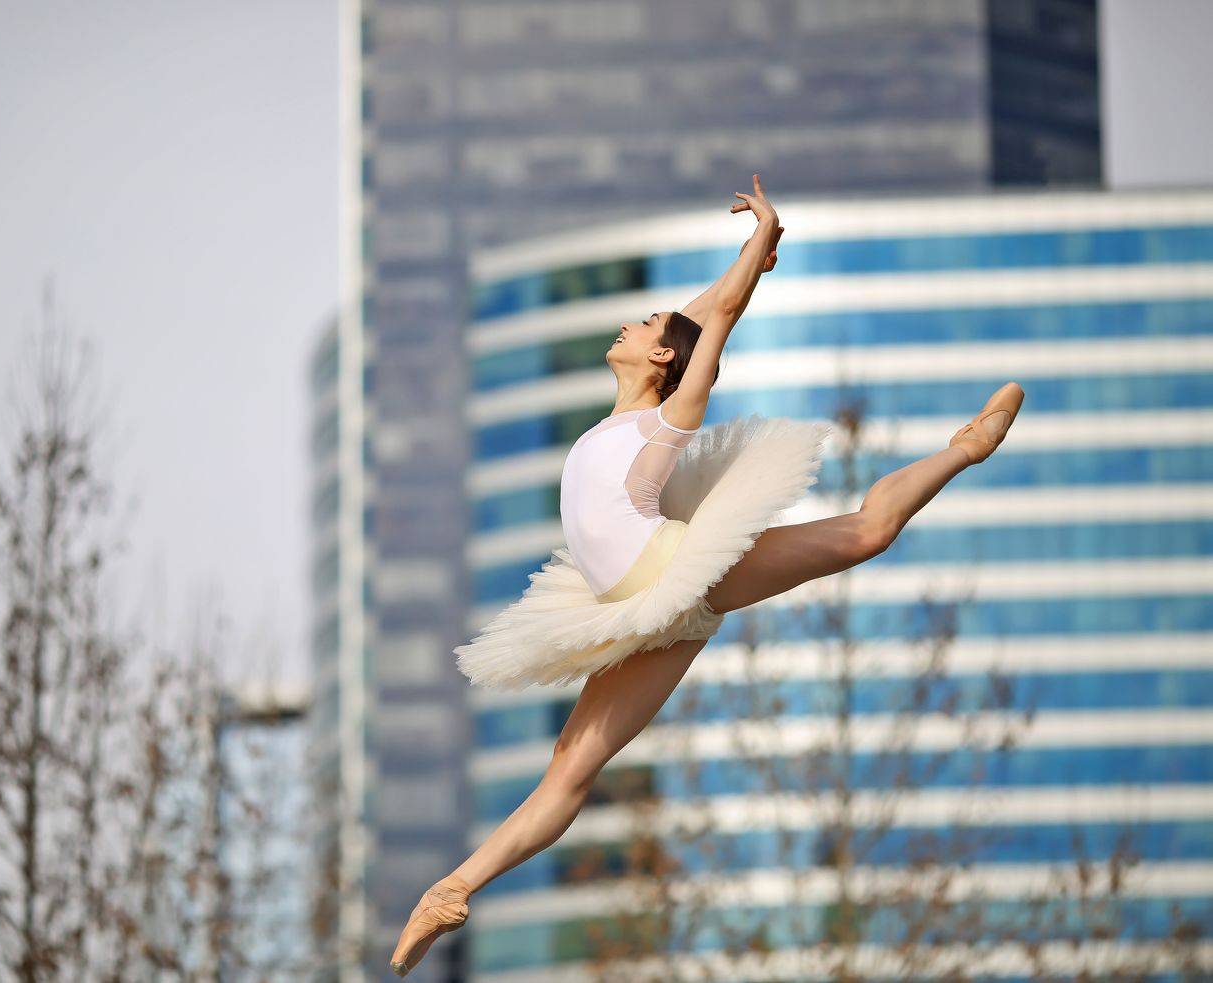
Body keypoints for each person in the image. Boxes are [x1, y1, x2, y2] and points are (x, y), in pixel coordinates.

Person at [388, 174, 1025, 976]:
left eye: (646, 322)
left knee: (868, 531)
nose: (633, 321)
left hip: (673, 574)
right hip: (631, 610)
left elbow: (714, 315)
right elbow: (706, 308)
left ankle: (965, 447)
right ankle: (451, 888)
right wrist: (754, 254)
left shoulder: (667, 418)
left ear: (660, 357)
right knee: (570, 765)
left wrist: (760, 239)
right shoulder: (627, 413)